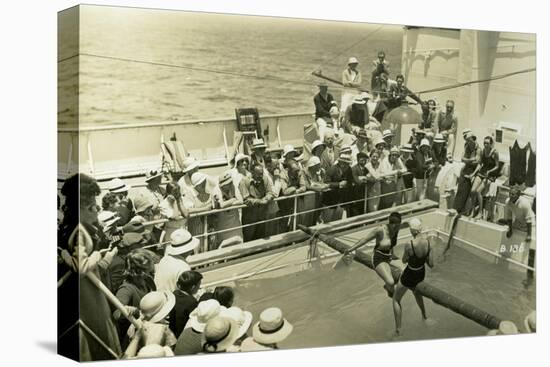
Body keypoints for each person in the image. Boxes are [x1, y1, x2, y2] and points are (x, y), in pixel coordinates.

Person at [58, 174, 122, 361]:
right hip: (87, 296)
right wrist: (101, 253)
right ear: (83, 207)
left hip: (85, 293)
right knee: (95, 333)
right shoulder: (80, 230)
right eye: (93, 207)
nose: (96, 211)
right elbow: (81, 267)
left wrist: (63, 254)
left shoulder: (71, 227)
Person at [392, 218, 434, 337]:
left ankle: (398, 330)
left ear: (412, 230)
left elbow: (404, 260)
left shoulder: (409, 244)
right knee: (417, 293)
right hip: (421, 274)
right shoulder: (429, 243)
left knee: (395, 299)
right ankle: (425, 317)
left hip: (410, 275)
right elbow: (431, 264)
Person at [344, 211, 402, 297]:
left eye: (398, 225)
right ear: (392, 224)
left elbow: (392, 244)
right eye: (396, 226)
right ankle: (388, 288)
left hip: (389, 257)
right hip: (379, 258)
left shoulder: (396, 229)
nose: (397, 228)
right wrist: (350, 249)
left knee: (407, 271)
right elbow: (364, 240)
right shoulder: (380, 230)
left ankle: (391, 285)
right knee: (391, 282)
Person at [113, 248, 157, 347]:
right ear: (141, 270)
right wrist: (132, 310)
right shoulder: (126, 289)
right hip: (134, 338)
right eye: (151, 263)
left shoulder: (148, 280)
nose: (153, 265)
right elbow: (116, 314)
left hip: (150, 329)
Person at [500, 186, 535, 287]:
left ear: (518, 195)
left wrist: (529, 235)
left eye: (513, 194)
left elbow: (529, 219)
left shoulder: (524, 203)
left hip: (530, 223)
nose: (511, 195)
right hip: (518, 222)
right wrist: (510, 230)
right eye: (510, 193)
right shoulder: (508, 201)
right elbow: (509, 217)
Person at [239, 164, 275, 241]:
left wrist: (266, 198)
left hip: (262, 215)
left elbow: (270, 192)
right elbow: (246, 199)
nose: (261, 176)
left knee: (261, 238)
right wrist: (260, 201)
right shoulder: (244, 182)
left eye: (262, 173)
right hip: (249, 218)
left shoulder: (265, 179)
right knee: (249, 239)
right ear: (252, 172)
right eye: (258, 174)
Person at [470, 136, 500, 219]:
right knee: (472, 191)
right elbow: (480, 164)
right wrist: (473, 174)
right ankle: (473, 210)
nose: (485, 145)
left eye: (487, 143)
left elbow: (497, 166)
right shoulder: (483, 151)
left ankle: (480, 212)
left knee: (478, 191)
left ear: (491, 144)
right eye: (484, 143)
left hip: (490, 175)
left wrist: (489, 171)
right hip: (482, 172)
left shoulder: (495, 153)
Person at [211, 171, 244, 247]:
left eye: (230, 182)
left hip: (235, 224)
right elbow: (221, 205)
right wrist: (233, 199)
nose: (229, 185)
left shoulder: (233, 186)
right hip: (223, 225)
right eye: (227, 184)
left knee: (239, 244)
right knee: (224, 246)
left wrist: (230, 203)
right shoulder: (216, 190)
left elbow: (241, 200)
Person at [169, 270, 202, 337]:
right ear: (193, 287)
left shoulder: (174, 294)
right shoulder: (191, 302)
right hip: (184, 335)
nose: (199, 287)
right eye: (199, 285)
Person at [323, 152, 352, 222]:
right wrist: (338, 184)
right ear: (339, 162)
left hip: (341, 201)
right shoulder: (332, 169)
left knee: (337, 220)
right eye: (343, 163)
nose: (345, 165)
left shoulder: (349, 170)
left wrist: (347, 183)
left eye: (347, 163)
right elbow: (326, 183)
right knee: (328, 221)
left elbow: (350, 181)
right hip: (330, 201)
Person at [304, 156, 329, 225]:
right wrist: (319, 188)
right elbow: (307, 186)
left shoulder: (317, 173)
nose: (319, 167)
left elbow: (319, 182)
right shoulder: (305, 173)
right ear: (313, 166)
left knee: (315, 216)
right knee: (307, 218)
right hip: (307, 201)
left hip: (316, 200)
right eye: (318, 165)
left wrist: (323, 184)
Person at [349, 152, 369, 217]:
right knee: (355, 213)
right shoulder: (354, 169)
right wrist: (364, 179)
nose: (363, 161)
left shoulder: (366, 169)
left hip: (364, 195)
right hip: (355, 195)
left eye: (365, 159)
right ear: (358, 160)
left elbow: (372, 178)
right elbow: (356, 181)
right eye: (361, 159)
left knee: (362, 213)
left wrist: (364, 178)